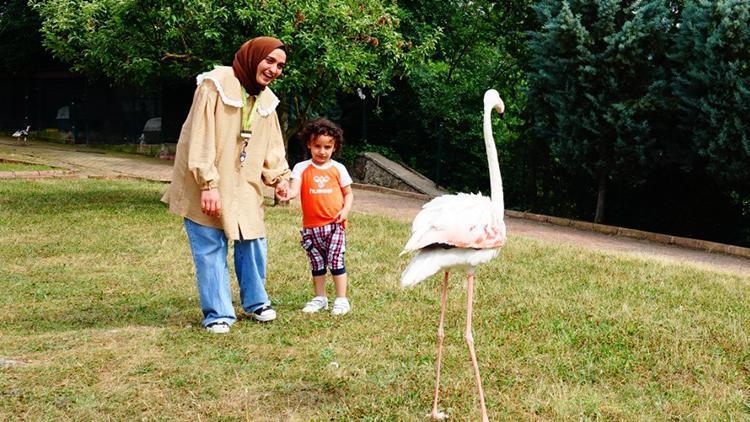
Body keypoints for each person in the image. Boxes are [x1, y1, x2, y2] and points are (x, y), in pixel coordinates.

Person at [161, 37, 291, 334]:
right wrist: (208, 184)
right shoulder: (214, 85)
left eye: (280, 65)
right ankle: (218, 313)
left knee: (253, 239)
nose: (274, 70)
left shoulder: (267, 100)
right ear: (252, 56)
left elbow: (271, 145)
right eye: (269, 61)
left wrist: (280, 178)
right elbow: (200, 135)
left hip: (243, 183)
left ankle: (256, 302)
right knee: (210, 245)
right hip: (208, 181)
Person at [288, 118, 354, 316]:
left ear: (334, 147)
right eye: (317, 146)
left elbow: (348, 193)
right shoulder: (301, 168)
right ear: (309, 144)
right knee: (317, 263)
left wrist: (345, 210)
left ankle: (341, 299)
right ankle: (320, 298)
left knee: (335, 261)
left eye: (327, 147)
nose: (322, 151)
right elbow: (294, 189)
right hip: (311, 228)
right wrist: (287, 193)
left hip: (334, 225)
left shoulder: (338, 169)